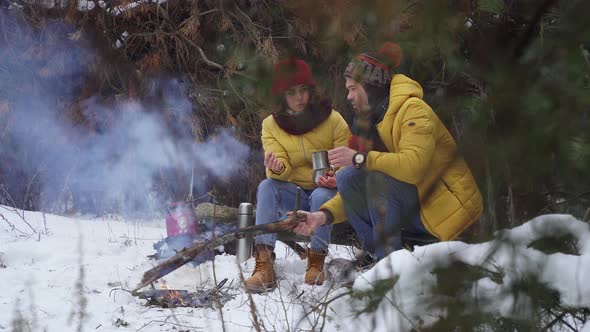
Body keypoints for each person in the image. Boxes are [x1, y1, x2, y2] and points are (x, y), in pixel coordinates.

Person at [293, 42, 483, 261]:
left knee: (375, 177)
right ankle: (379, 258)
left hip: (451, 215)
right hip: (420, 206)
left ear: (371, 87)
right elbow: (356, 192)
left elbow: (413, 167)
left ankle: (387, 270)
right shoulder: (375, 121)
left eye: (353, 89)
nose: (348, 96)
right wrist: (321, 216)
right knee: (347, 177)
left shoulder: (413, 110)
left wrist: (358, 157)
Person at [245, 58, 351, 292]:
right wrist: (276, 167)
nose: (299, 97)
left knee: (322, 193)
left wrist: (337, 176)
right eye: (292, 92)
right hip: (294, 194)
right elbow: (281, 168)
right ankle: (264, 264)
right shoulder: (271, 125)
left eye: (303, 90)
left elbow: (346, 159)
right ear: (281, 95)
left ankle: (316, 259)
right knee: (266, 187)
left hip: (326, 197)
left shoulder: (332, 119)